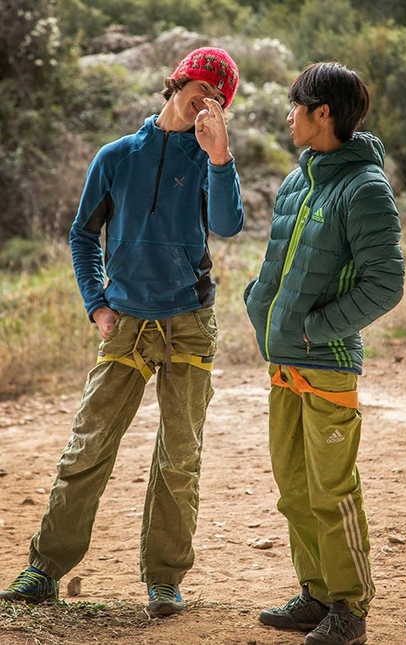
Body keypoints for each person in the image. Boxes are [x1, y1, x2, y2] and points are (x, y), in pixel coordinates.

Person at [0, 46, 243, 616]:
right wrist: (97, 304)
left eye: (217, 97)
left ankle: (163, 579)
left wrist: (221, 156)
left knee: (179, 457)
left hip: (188, 322)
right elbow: (83, 236)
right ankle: (45, 568)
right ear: (178, 81)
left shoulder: (211, 160)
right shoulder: (116, 157)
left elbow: (229, 225)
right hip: (127, 322)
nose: (204, 100)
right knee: (89, 444)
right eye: (200, 87)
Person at [244, 62, 404, 645]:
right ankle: (315, 595)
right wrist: (259, 307)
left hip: (326, 361)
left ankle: (350, 610)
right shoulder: (298, 178)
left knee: (332, 492)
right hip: (283, 360)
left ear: (324, 114)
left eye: (296, 106)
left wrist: (315, 329)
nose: (288, 117)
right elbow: (277, 264)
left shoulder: (365, 188)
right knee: (294, 489)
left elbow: (386, 284)